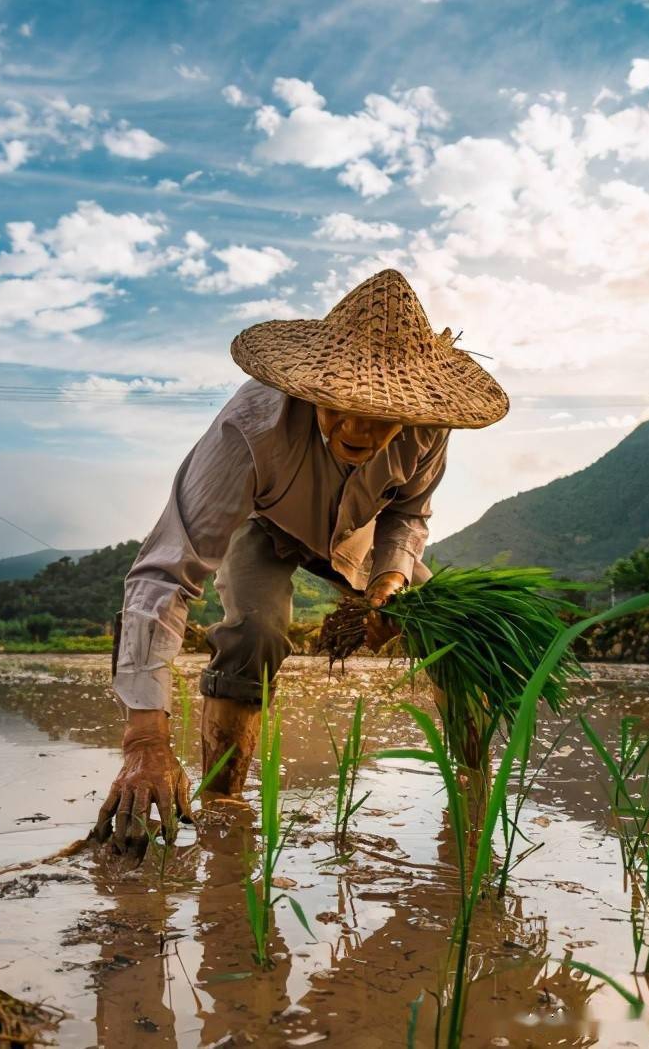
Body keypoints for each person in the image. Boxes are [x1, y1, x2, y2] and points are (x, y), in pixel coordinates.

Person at [95, 268, 509, 855]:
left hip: (360, 534)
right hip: (262, 523)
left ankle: (474, 796)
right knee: (255, 630)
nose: (354, 427)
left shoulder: (428, 426)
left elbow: (408, 514)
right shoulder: (248, 430)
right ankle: (223, 809)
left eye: (378, 413)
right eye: (335, 405)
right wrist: (144, 740)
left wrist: (389, 583)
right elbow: (165, 572)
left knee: (454, 636)